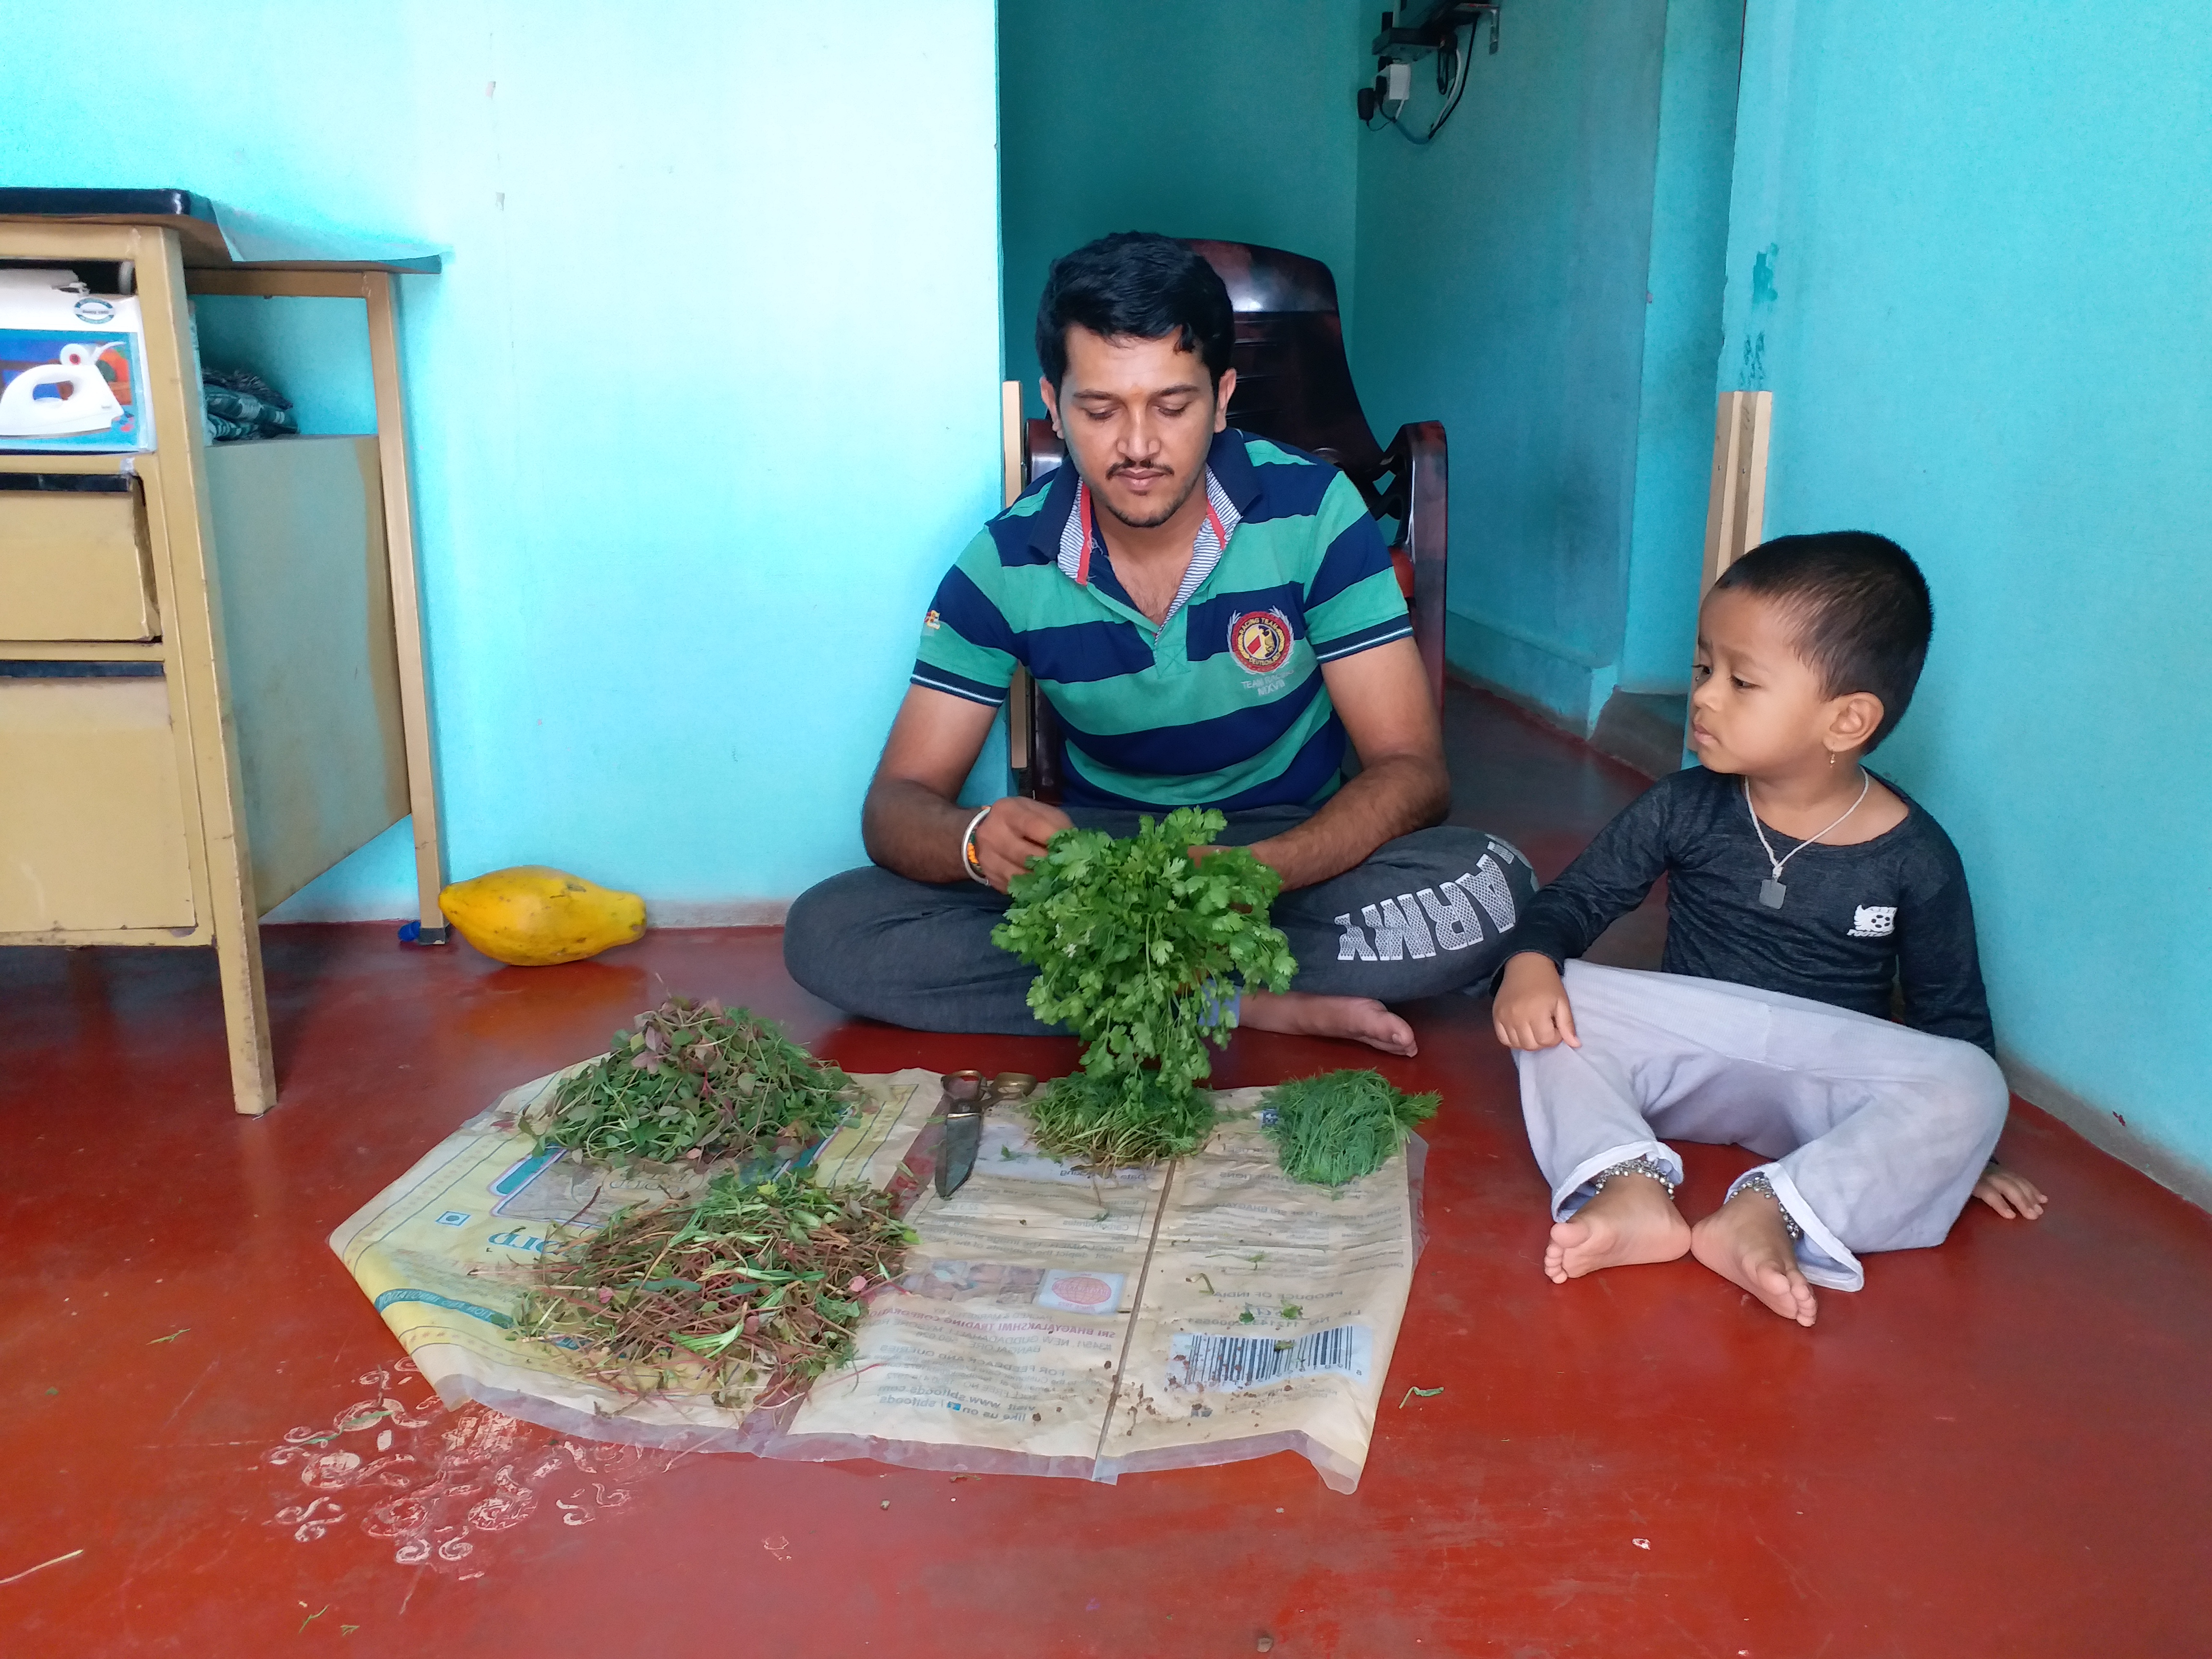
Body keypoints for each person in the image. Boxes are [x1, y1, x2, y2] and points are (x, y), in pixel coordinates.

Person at [785, 232, 1536, 1054]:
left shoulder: (1313, 512)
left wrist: (1264, 873)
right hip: (1102, 869)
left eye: (1171, 408)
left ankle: (1155, 987)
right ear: (1055, 405)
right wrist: (973, 842)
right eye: (1100, 410)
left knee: (1491, 887)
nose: (1138, 446)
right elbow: (895, 805)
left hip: (1280, 856)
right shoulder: (1005, 561)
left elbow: (1414, 771)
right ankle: (1236, 1000)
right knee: (829, 930)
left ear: (1221, 399)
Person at [1490, 532, 2047, 1326]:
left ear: (1847, 719)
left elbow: (1949, 1012)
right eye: (1702, 669)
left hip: (1826, 1073)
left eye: (1742, 681)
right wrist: (1534, 961)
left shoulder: (1918, 856)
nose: (1706, 699)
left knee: (1972, 1083)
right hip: (1689, 1046)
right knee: (1555, 999)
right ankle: (1629, 1189)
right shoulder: (1682, 805)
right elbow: (1576, 902)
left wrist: (1964, 1153)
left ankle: (1770, 1216)